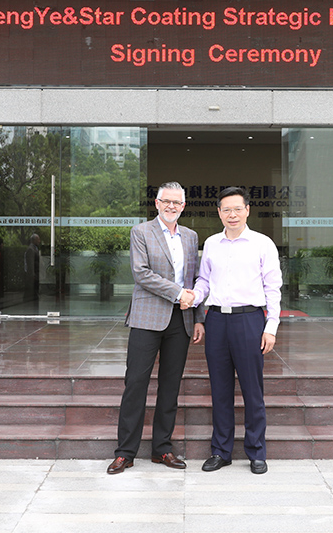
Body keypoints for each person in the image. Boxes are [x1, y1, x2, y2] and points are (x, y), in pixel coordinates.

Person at [107, 182, 205, 475]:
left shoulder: (191, 237)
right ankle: (125, 452)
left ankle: (162, 449)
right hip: (147, 318)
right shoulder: (141, 232)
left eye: (177, 202)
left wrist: (198, 318)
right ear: (157, 203)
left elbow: (194, 279)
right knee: (136, 383)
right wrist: (178, 293)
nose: (171, 206)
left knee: (170, 386)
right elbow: (141, 274)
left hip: (181, 320)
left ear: (183, 206)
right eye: (166, 201)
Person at [185, 186, 282, 475]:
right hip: (217, 321)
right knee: (220, 389)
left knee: (253, 390)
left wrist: (271, 327)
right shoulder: (212, 244)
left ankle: (256, 451)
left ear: (247, 210)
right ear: (219, 212)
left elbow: (273, 287)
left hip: (249, 320)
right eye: (226, 209)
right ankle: (221, 451)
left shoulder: (262, 243)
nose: (232, 214)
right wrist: (194, 297)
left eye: (237, 209)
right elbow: (204, 280)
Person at [23, 233, 41, 302]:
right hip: (33, 274)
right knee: (32, 289)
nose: (39, 241)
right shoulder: (30, 249)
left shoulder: (35, 248)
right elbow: (30, 263)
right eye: (38, 239)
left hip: (36, 273)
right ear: (34, 240)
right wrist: (32, 274)